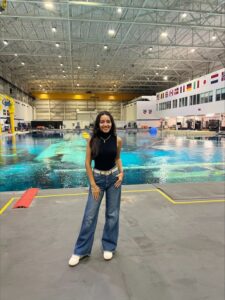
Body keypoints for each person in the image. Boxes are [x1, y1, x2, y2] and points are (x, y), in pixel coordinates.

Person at [68, 111, 123, 267]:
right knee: (90, 216)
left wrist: (122, 173)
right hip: (97, 179)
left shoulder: (117, 140)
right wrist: (93, 184)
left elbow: (117, 158)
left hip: (113, 179)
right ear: (98, 124)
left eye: (108, 121)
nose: (105, 124)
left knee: (112, 214)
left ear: (112, 123)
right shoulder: (93, 141)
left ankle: (109, 246)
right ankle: (80, 251)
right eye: (102, 122)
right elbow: (87, 163)